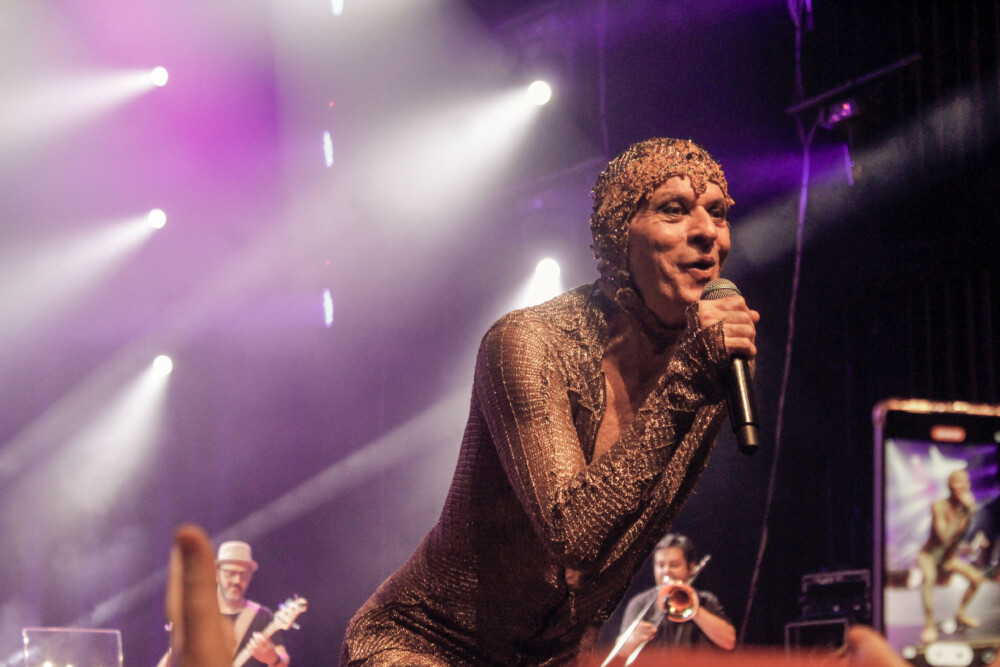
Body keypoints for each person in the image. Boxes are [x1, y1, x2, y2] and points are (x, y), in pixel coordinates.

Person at [340, 137, 758, 665]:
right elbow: (574, 535)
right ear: (617, 235)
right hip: (424, 645)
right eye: (673, 209)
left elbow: (605, 569)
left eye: (718, 213)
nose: (707, 232)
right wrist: (687, 382)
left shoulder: (705, 369)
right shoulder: (527, 342)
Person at [164, 526, 912, 666]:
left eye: (672, 564)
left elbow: (725, 643)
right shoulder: (638, 609)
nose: (665, 573)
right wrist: (636, 638)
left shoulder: (699, 598)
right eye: (660, 565)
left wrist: (688, 605)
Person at [158, 539, 290, 667]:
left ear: (250, 577)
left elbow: (283, 659)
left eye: (243, 575)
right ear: (216, 573)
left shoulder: (261, 616)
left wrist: (273, 659)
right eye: (230, 573)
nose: (237, 580)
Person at [613, 533, 735, 659]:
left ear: (691, 567)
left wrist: (694, 608)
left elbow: (729, 642)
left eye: (674, 565)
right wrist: (633, 638)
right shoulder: (640, 602)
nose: (666, 570)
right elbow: (620, 652)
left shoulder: (705, 600)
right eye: (661, 565)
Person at [916, 469, 988, 644]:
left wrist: (970, 513)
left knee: (977, 579)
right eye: (957, 482)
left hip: (948, 558)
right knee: (929, 578)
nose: (962, 486)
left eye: (965, 482)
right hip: (929, 555)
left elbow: (961, 537)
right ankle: (929, 624)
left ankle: (960, 613)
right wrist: (962, 512)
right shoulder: (938, 506)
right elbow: (944, 538)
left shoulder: (967, 509)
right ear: (950, 486)